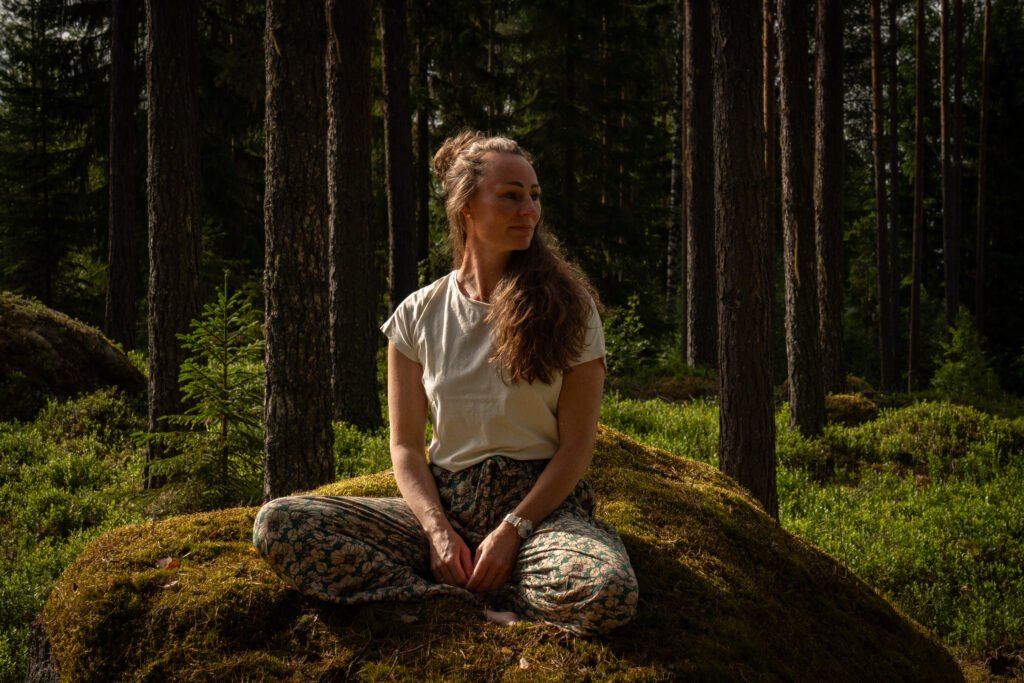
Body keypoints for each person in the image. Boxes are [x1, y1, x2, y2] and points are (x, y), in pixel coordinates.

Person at [253, 131, 638, 635]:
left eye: (534, 195)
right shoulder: (416, 315)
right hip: (447, 506)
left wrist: (512, 530)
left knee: (609, 590)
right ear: (466, 207)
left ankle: (489, 587)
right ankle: (454, 599)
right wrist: (436, 530)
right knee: (279, 524)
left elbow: (577, 447)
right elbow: (406, 447)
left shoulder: (570, 307)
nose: (529, 210)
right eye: (511, 195)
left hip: (540, 515)